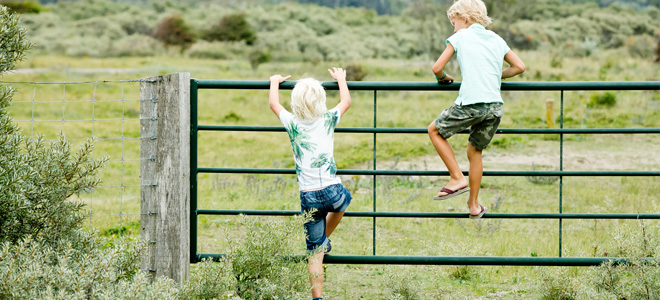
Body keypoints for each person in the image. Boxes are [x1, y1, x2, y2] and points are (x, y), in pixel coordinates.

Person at [427, 0, 526, 218]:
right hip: (494, 107)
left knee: (434, 130)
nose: (453, 28)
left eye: (454, 23)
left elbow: (437, 68)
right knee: (474, 151)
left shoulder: (461, 36)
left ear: (465, 18)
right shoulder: (497, 38)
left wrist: (443, 78)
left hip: (472, 103)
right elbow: (520, 67)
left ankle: (456, 177)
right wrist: (493, 74)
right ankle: (473, 205)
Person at [268, 67, 352, 300]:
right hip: (333, 190)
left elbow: (274, 105)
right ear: (321, 100)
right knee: (344, 202)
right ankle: (325, 240)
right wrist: (341, 79)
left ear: (295, 102)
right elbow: (346, 101)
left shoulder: (292, 123)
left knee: (314, 253)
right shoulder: (328, 119)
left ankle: (317, 297)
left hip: (308, 195)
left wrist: (275, 82)